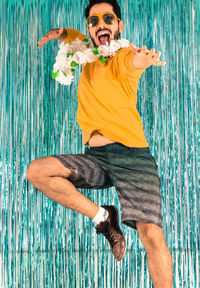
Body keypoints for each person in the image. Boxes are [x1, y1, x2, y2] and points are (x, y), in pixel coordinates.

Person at [27, 0, 173, 286]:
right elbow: (73, 36)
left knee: (151, 234)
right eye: (94, 21)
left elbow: (133, 64)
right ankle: (103, 217)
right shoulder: (86, 52)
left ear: (119, 25)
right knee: (37, 171)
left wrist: (142, 60)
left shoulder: (122, 57)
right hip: (95, 157)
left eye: (108, 18)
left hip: (132, 157)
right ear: (90, 30)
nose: (101, 24)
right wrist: (58, 32)